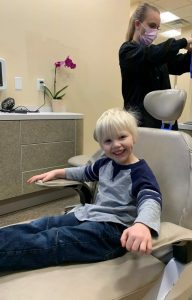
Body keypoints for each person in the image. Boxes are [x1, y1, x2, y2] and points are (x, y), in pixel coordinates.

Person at [0, 108, 162, 271]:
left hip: (112, 232)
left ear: (133, 137)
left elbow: (150, 199)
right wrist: (57, 172)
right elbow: (83, 172)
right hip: (90, 215)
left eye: (122, 137)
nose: (116, 145)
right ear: (101, 145)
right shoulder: (105, 162)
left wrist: (142, 224)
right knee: (44, 224)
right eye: (108, 141)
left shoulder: (140, 172)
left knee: (54, 239)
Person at [119, 2, 192, 129]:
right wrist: (183, 42)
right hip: (139, 126)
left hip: (163, 124)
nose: (154, 31)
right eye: (152, 25)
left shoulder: (156, 55)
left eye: (157, 27)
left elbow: (179, 65)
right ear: (137, 24)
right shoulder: (128, 51)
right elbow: (152, 55)